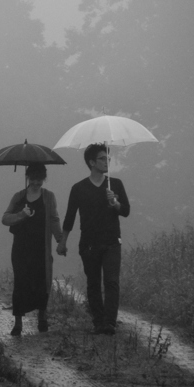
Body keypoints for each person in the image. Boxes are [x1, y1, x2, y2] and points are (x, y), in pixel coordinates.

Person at [57, 143, 131, 335]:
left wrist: (114, 202)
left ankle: (109, 323)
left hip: (112, 241)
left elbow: (126, 211)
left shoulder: (115, 184)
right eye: (102, 158)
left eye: (108, 158)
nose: (106, 162)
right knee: (93, 282)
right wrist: (62, 242)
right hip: (89, 243)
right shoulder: (79, 188)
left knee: (112, 281)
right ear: (91, 162)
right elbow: (70, 216)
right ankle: (98, 321)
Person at [0, 163, 63, 336]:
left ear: (44, 178)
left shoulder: (49, 197)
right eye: (33, 179)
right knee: (21, 282)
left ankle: (42, 316)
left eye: (40, 179)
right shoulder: (19, 197)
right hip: (21, 248)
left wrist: (60, 240)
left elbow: (54, 219)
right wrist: (22, 214)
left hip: (41, 248)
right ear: (28, 177)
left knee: (42, 281)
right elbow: (5, 219)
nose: (36, 183)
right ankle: (18, 322)